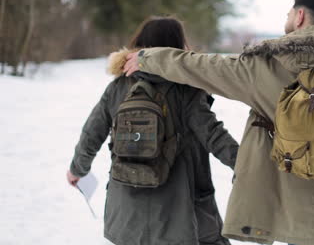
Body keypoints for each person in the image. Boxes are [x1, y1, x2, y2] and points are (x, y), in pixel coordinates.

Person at [123, 0, 314, 245]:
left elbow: (202, 66)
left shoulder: (263, 67)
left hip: (293, 213)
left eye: (288, 13)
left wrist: (150, 58)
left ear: (299, 16)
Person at [66, 16, 239, 245]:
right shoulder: (186, 90)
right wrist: (247, 166)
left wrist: (77, 169)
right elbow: (214, 136)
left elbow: (92, 133)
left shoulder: (119, 86)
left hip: (127, 208)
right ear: (178, 47)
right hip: (181, 210)